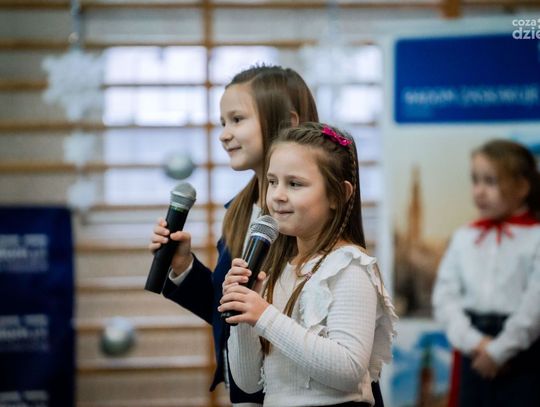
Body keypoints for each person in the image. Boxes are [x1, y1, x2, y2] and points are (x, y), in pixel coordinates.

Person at [149, 65, 319, 405]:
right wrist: (183, 266)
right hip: (247, 389)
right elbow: (229, 311)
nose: (224, 134)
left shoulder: (307, 215)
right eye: (222, 123)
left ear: (288, 122)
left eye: (237, 120)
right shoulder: (240, 211)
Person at [218, 122, 397, 406]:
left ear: (339, 195)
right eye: (272, 181)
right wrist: (243, 316)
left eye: (295, 184)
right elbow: (248, 382)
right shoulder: (277, 271)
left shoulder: (349, 267)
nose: (278, 195)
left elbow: (349, 369)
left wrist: (264, 316)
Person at [432, 139, 540, 407]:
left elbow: (535, 305)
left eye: (490, 181)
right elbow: (445, 298)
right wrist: (476, 344)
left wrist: (500, 351)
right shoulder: (464, 237)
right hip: (473, 350)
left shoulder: (535, 237)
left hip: (523, 349)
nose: (479, 191)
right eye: (475, 180)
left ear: (522, 187)